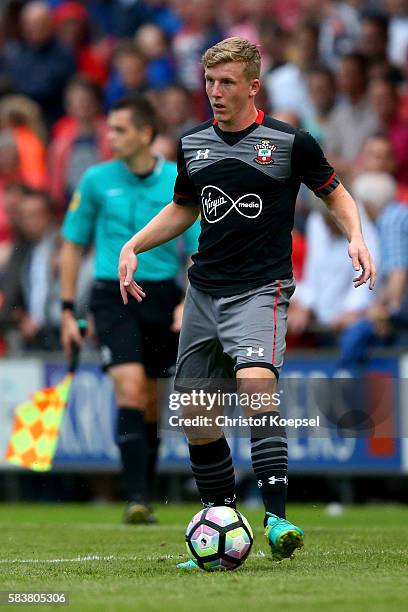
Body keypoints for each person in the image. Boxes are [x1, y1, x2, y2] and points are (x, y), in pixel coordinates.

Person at [118, 37, 376, 565]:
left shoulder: (289, 142)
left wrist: (355, 234)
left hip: (262, 289)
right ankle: (222, 522)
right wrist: (134, 244)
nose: (215, 92)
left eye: (227, 82)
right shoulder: (191, 145)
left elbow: (336, 192)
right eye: (209, 82)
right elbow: (184, 208)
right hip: (204, 291)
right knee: (195, 412)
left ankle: (278, 517)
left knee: (257, 385)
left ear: (253, 86)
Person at [60, 95, 199, 524]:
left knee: (153, 403)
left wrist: (186, 302)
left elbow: (196, 251)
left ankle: (145, 492)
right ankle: (135, 497)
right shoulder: (96, 180)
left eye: (119, 129)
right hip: (112, 294)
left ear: (144, 133)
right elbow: (72, 244)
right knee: (131, 388)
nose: (110, 136)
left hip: (162, 296)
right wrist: (68, 308)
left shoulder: (178, 180)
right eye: (110, 128)